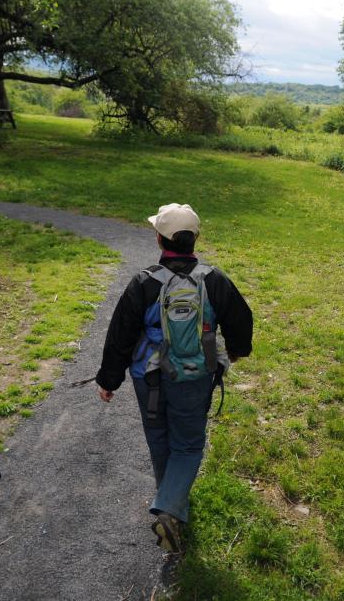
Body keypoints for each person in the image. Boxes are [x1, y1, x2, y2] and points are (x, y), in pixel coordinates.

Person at [95, 203, 253, 552]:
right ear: (195, 238)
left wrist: (109, 379)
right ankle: (170, 506)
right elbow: (242, 320)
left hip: (148, 378)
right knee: (189, 445)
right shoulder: (214, 280)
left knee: (159, 439)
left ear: (159, 239)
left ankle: (170, 503)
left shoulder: (144, 282)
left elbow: (120, 333)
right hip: (194, 376)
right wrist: (238, 350)